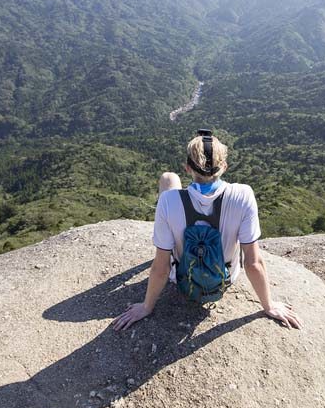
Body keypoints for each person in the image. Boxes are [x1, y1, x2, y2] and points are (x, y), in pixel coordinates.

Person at [112, 132, 301, 331]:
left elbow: (161, 268)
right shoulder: (244, 195)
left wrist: (146, 307)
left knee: (168, 179)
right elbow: (253, 263)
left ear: (187, 168)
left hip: (181, 277)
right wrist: (269, 306)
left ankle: (168, 241)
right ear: (225, 167)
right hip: (224, 278)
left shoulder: (168, 201)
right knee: (171, 184)